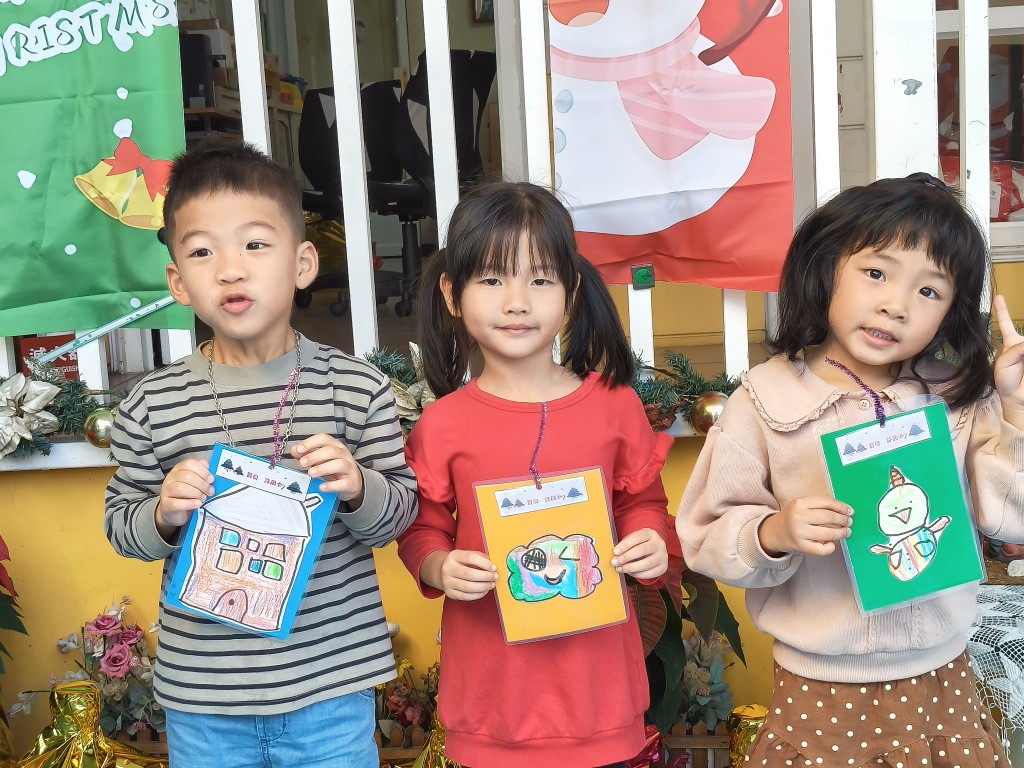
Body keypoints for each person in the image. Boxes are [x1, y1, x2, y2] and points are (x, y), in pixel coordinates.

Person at [677, 173, 1024, 766]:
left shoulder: (959, 400)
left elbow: (1009, 518)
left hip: (941, 680)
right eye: (876, 273)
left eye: (930, 290)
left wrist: (1014, 407)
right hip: (818, 689)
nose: (896, 305)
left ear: (952, 312)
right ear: (825, 266)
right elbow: (705, 537)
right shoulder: (763, 400)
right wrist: (773, 533)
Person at [103, 141, 417, 768]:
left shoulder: (356, 389)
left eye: (254, 244)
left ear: (302, 263)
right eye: (202, 252)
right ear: (178, 282)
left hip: (330, 688)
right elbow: (121, 527)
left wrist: (359, 486)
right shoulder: (152, 403)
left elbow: (399, 517)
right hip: (204, 699)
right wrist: (162, 513)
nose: (230, 269)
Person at [397, 181, 673, 768]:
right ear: (452, 294)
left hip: (599, 696)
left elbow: (643, 503)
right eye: (492, 280)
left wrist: (649, 539)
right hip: (494, 700)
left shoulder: (615, 406)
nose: (517, 301)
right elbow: (421, 528)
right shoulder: (442, 425)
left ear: (571, 291)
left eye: (541, 280)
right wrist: (438, 565)